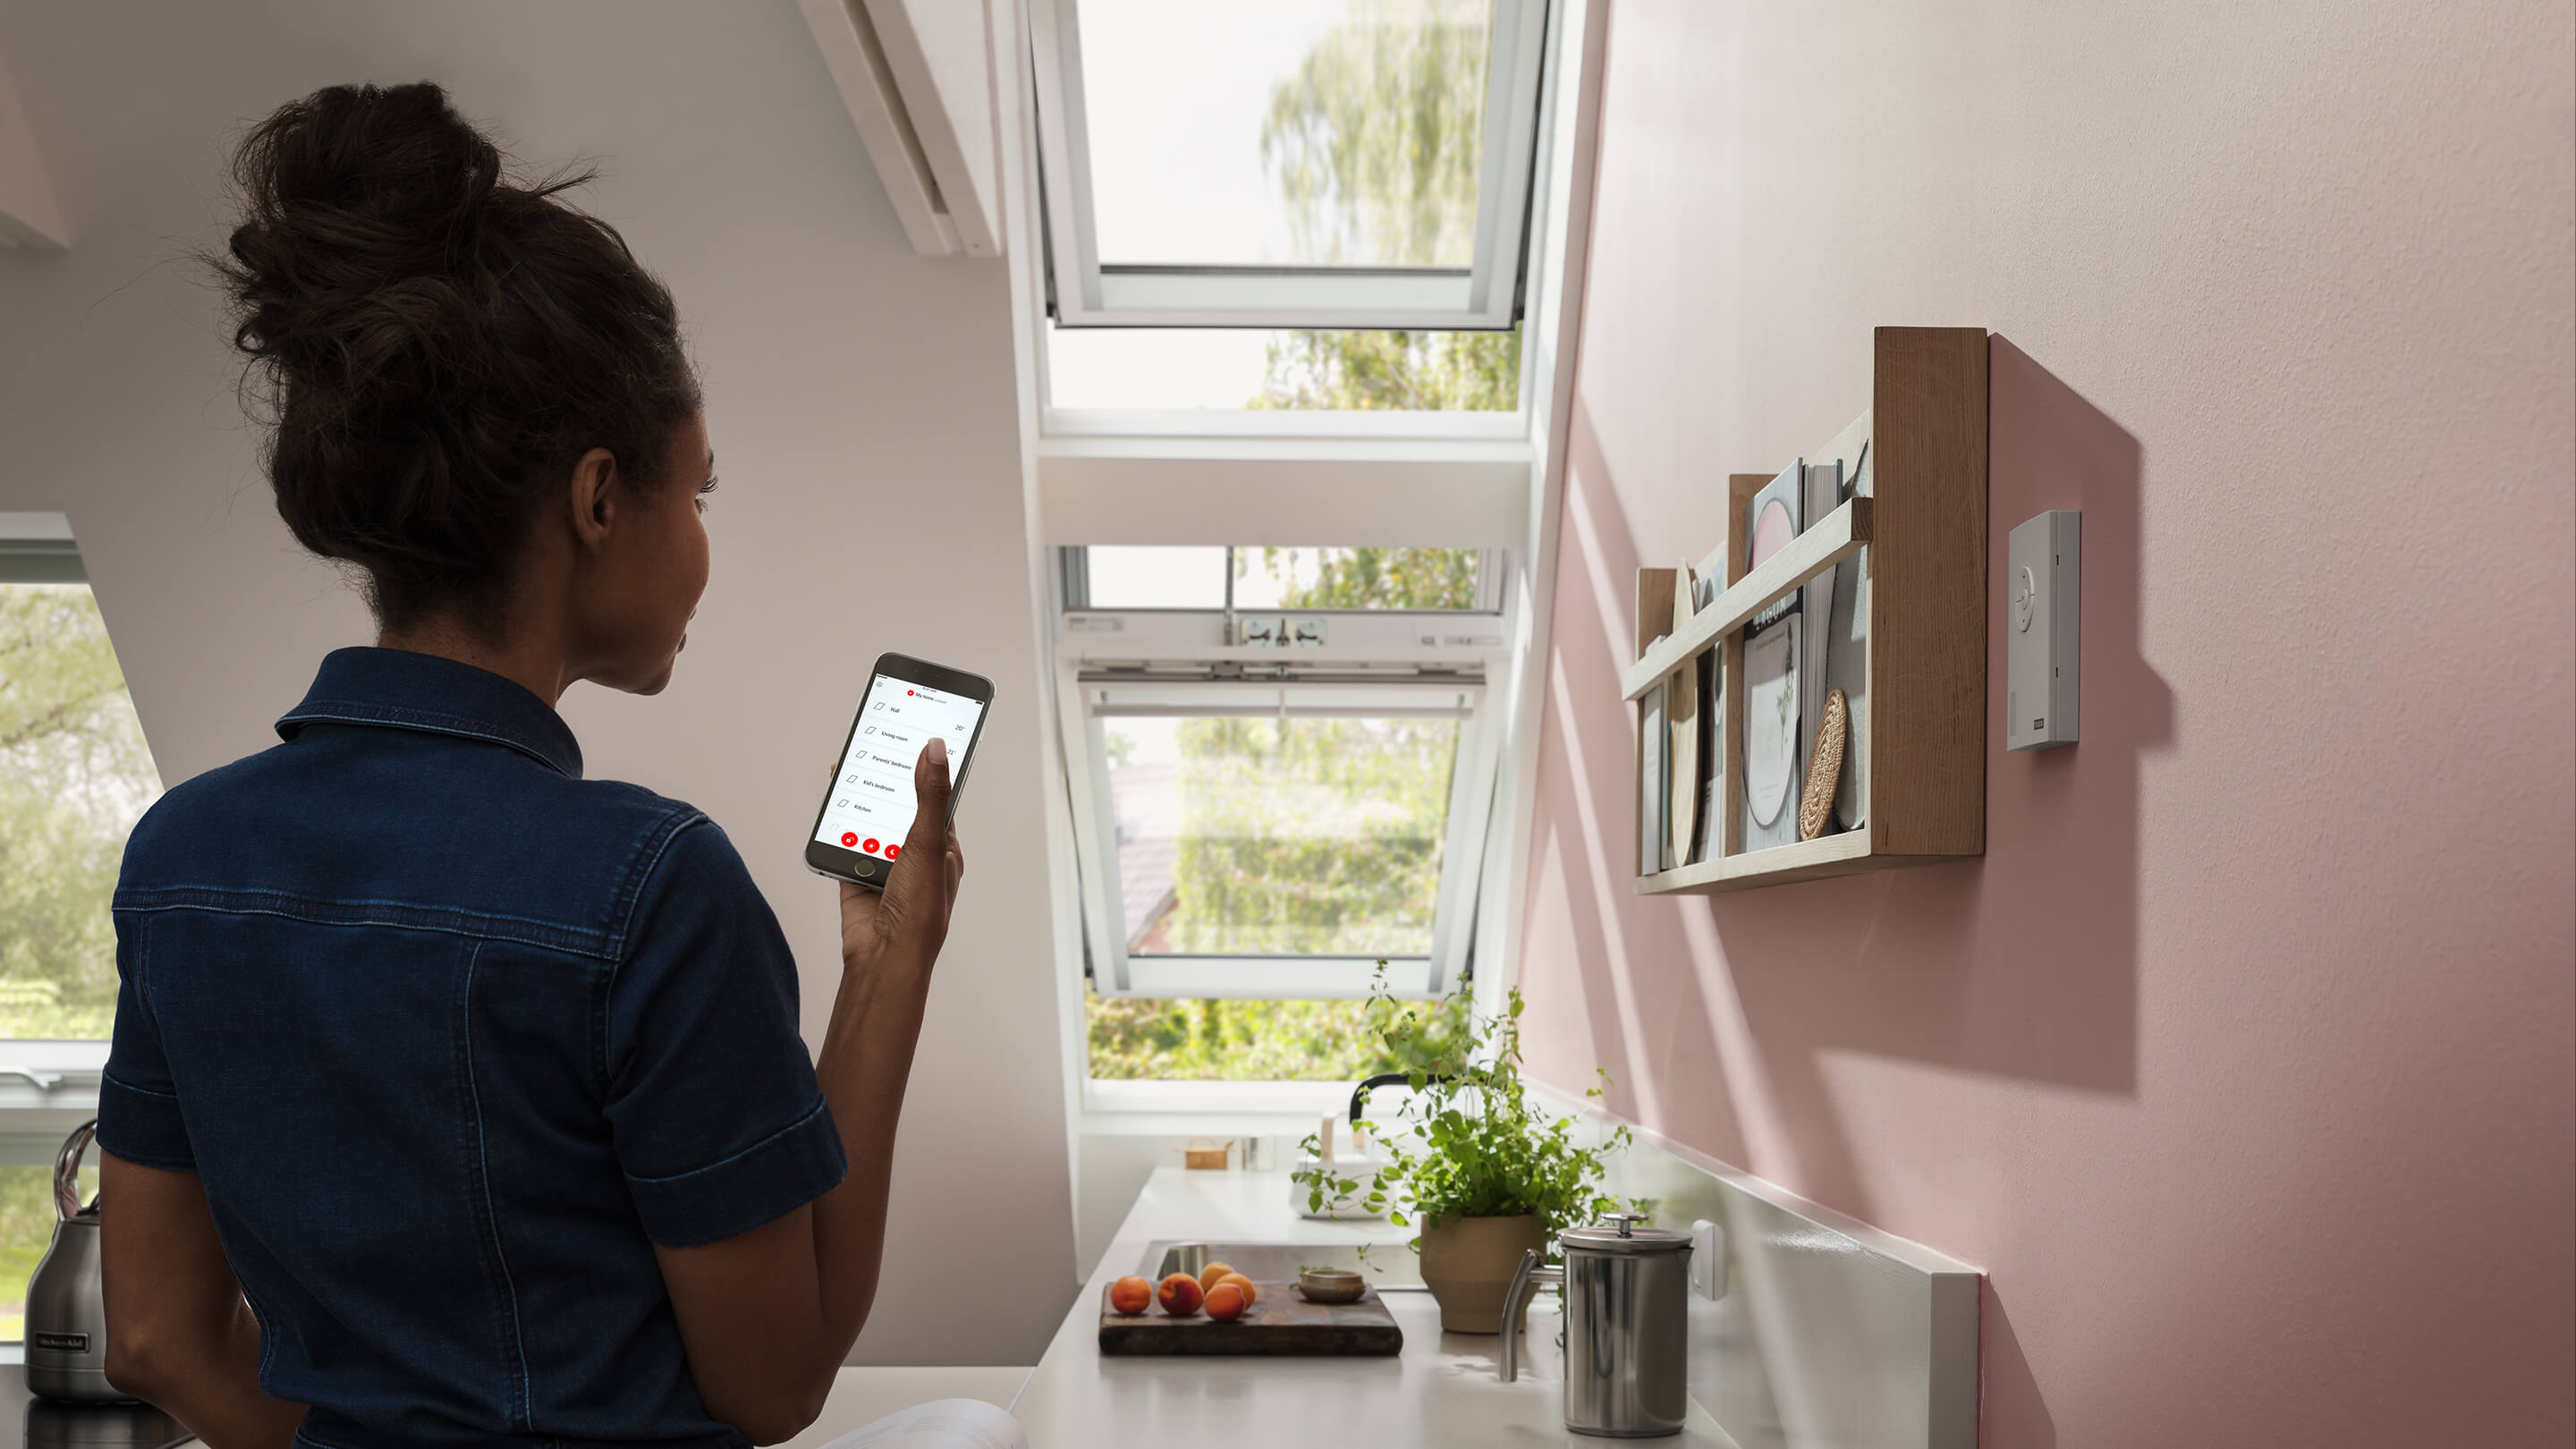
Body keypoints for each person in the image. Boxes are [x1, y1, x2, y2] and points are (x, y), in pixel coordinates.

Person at [93, 81, 962, 1449]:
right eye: (701, 493)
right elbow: (775, 1382)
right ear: (599, 498)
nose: (705, 541)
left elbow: (154, 1338)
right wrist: (891, 966)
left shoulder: (181, 857)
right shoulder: (653, 887)